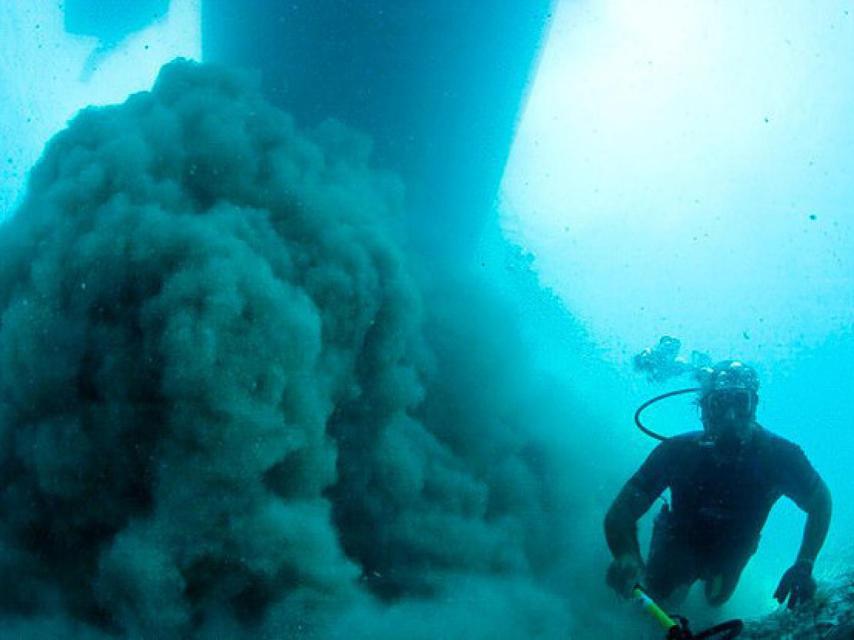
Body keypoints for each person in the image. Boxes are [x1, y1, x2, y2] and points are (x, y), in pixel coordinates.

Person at [604, 360, 832, 608]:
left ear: (753, 405)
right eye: (719, 404)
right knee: (660, 600)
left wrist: (804, 563)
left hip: (733, 550)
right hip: (678, 541)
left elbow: (820, 501)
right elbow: (620, 513)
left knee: (715, 601)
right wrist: (627, 555)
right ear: (703, 410)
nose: (730, 416)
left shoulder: (780, 457)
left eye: (741, 402)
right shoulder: (677, 453)